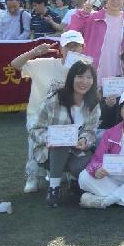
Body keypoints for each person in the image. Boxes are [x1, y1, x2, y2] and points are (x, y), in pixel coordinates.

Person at [11, 30, 85, 193]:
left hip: (69, 117)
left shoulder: (85, 68)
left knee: (75, 139)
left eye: (76, 46)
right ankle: (32, 176)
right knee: (35, 142)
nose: (72, 49)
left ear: (83, 48)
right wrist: (34, 52)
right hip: (39, 115)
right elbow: (15, 64)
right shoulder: (45, 64)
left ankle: (68, 175)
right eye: (68, 46)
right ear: (61, 49)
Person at [29, 61, 100, 207]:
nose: (84, 81)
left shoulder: (93, 104)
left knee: (80, 167)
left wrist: (84, 140)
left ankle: (74, 181)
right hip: (49, 152)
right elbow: (35, 129)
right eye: (80, 76)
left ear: (93, 81)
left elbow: (91, 131)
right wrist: (49, 138)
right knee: (60, 142)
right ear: (71, 78)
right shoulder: (54, 99)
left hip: (76, 151)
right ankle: (53, 189)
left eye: (89, 77)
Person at [69, 0, 124, 79]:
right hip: (92, 72)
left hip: (120, 73)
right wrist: (83, 15)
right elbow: (72, 32)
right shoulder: (93, 17)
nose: (116, 0)